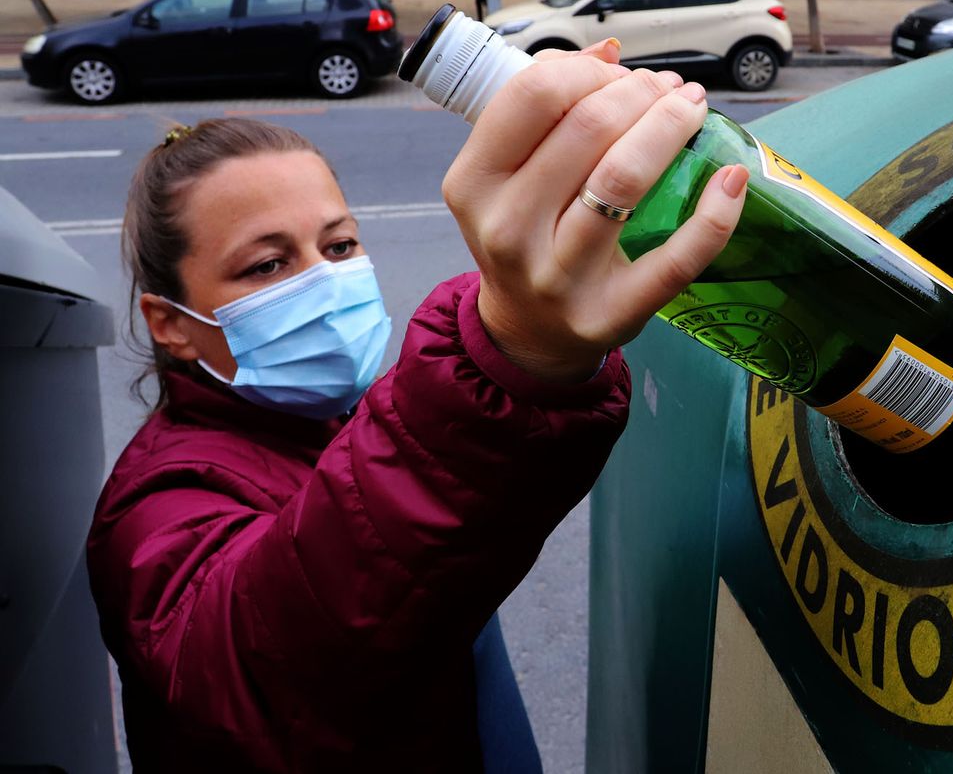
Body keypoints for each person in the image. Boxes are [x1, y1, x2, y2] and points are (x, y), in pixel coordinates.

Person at [86, 41, 749, 772]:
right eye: (267, 264)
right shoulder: (155, 504)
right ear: (170, 321)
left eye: (338, 246)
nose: (324, 282)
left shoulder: (329, 423)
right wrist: (505, 352)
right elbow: (264, 664)